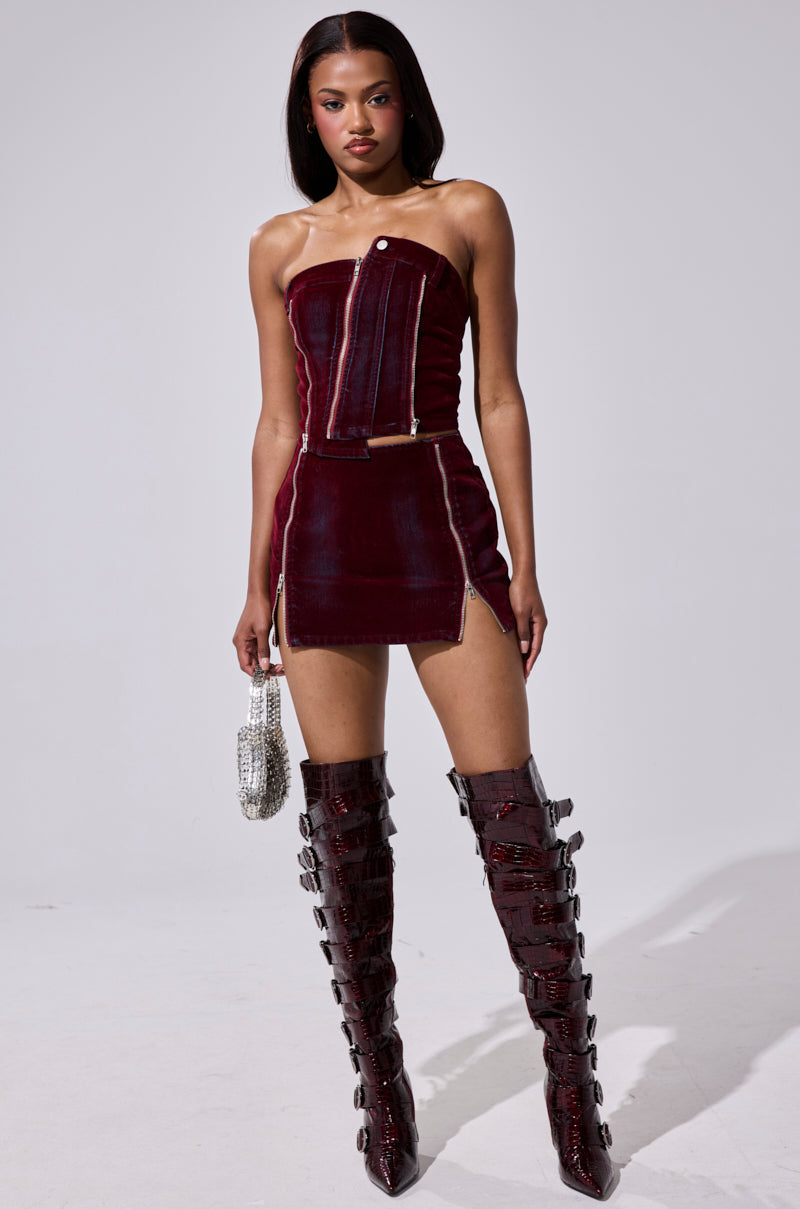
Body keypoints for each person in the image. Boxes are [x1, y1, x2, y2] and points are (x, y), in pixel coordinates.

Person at [232, 10, 617, 1201]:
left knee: (511, 819)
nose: (357, 121)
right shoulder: (279, 244)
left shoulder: (466, 211)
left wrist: (524, 563)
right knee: (341, 827)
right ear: (307, 116)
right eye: (333, 102)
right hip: (319, 529)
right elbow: (279, 423)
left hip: (434, 509)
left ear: (407, 101)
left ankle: (571, 1087)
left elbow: (498, 395)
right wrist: (253, 578)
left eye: (376, 96)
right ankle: (383, 1087)